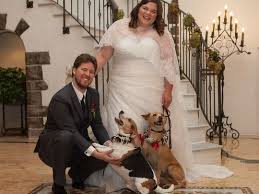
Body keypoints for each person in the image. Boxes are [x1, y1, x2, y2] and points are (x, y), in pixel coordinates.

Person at [93, 0, 233, 186]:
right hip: (121, 89)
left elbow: (169, 66)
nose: (148, 13)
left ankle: (150, 175)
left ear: (157, 15)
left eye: (153, 11)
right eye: (145, 8)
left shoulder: (161, 34)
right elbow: (103, 56)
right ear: (138, 8)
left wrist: (168, 91)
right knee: (121, 132)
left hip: (150, 91)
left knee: (148, 138)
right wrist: (86, 72)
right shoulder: (119, 27)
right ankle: (130, 175)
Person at [34, 53, 120, 194]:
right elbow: (70, 131)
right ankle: (59, 184)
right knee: (66, 137)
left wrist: (108, 144)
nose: (88, 74)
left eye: (91, 72)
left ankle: (77, 175)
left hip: (77, 142)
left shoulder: (93, 95)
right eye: (84, 70)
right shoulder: (61, 98)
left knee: (105, 156)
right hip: (54, 146)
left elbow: (97, 124)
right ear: (74, 70)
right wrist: (94, 153)